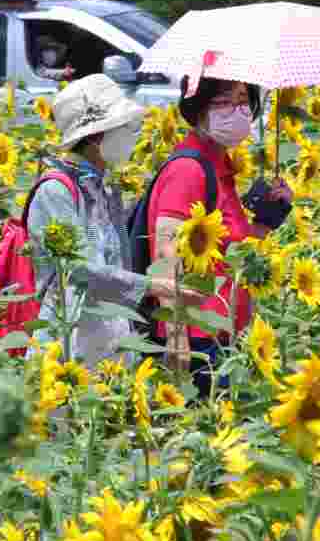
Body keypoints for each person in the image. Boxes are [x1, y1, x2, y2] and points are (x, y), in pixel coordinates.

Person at [25, 74, 203, 368]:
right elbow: (78, 271)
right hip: (68, 347)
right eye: (125, 128)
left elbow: (117, 260)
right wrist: (154, 286)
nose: (132, 135)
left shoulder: (105, 187)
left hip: (110, 340)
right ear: (96, 137)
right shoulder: (56, 191)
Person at [146, 75, 293, 397]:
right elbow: (165, 252)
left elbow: (228, 249)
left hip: (224, 328)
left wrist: (269, 217)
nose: (237, 110)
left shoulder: (217, 166)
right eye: (223, 102)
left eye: (243, 100)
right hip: (198, 336)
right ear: (197, 109)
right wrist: (176, 335)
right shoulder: (190, 169)